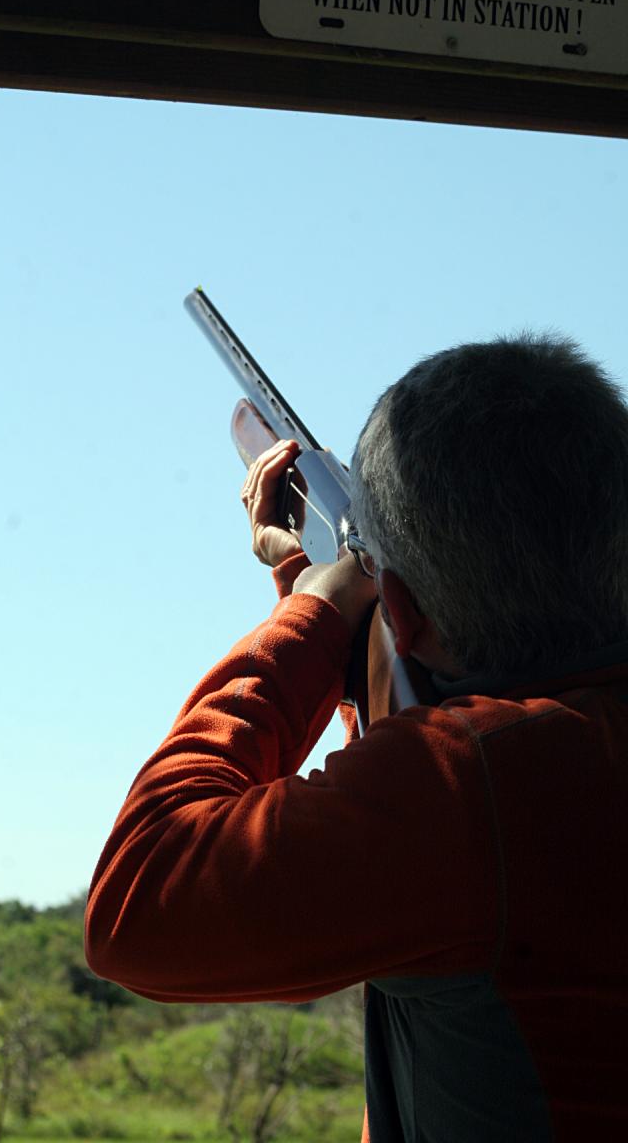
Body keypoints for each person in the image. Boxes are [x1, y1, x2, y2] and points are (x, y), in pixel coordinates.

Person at [85, 333, 628, 1142]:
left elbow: (139, 905)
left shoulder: (475, 785)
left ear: (399, 609)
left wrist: (312, 613)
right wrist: (341, 606)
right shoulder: (542, 761)